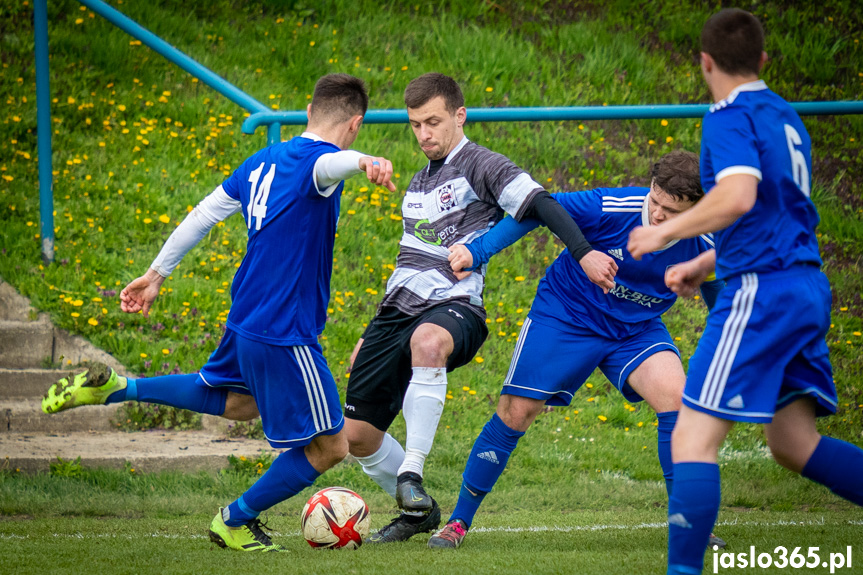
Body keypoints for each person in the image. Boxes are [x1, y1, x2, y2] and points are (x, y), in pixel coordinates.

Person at [41, 73, 398, 552]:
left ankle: (120, 388)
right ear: (354, 124)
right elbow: (333, 166)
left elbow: (204, 214)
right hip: (284, 330)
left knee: (239, 403)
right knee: (332, 446)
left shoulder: (260, 162)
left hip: (247, 315)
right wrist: (367, 162)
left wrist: (157, 273)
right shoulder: (318, 165)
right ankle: (235, 519)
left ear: (309, 111)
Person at [627, 10, 863, 574]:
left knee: (691, 437)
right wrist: (707, 262)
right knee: (793, 442)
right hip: (804, 286)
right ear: (763, 61)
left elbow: (737, 197)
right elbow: (774, 216)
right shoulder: (786, 115)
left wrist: (664, 230)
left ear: (704, 63)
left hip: (762, 293)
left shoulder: (730, 114)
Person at [343, 72, 620, 543]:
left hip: (455, 307)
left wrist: (584, 251)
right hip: (399, 309)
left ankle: (411, 471)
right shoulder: (416, 183)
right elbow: (407, 260)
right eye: (415, 125)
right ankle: (419, 510)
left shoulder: (480, 164)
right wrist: (373, 329)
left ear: (459, 114)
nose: (424, 134)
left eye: (433, 122)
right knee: (356, 436)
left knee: (427, 342)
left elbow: (539, 203)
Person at [427, 150, 727, 550]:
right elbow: (538, 208)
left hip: (634, 329)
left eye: (671, 211)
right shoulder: (612, 206)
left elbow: (720, 299)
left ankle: (689, 522)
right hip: (567, 314)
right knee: (517, 412)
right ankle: (458, 522)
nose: (657, 215)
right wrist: (479, 251)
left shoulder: (706, 240)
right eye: (654, 200)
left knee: (677, 400)